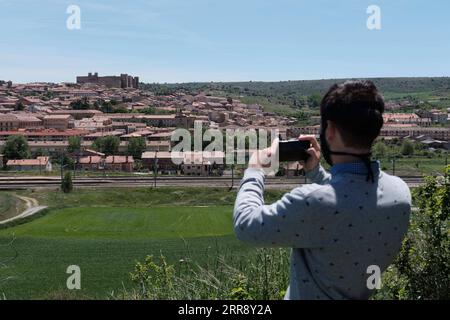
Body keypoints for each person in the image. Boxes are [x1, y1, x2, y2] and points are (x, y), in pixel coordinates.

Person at [233, 80, 411, 300]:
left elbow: (246, 226)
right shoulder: (400, 193)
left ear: (331, 131)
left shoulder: (311, 202)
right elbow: (351, 198)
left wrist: (255, 170)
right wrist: (317, 173)